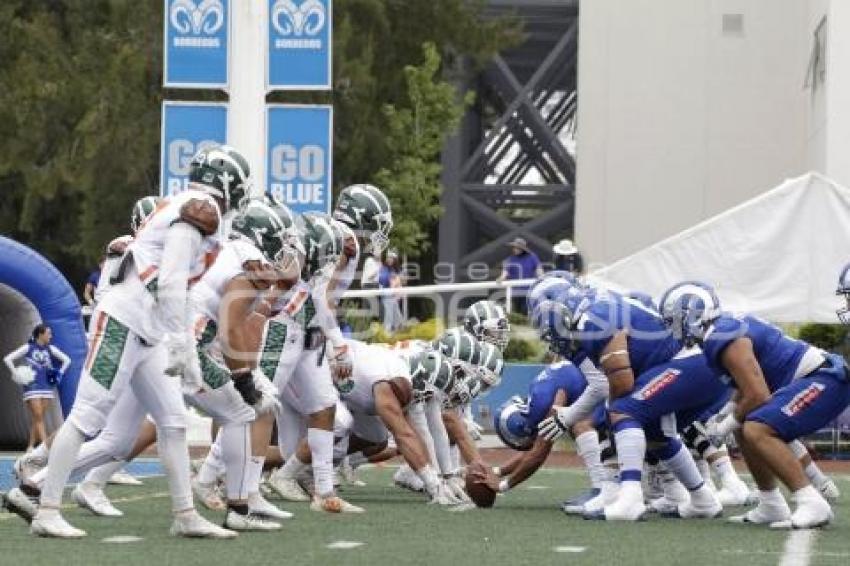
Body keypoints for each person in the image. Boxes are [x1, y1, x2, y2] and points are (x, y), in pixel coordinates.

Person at [16, 144, 251, 539]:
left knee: (174, 422)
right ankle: (47, 507)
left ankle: (185, 514)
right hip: (125, 323)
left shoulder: (187, 207)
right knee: (88, 417)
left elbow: (177, 284)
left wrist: (179, 342)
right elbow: (173, 281)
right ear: (226, 182)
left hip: (149, 330)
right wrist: (182, 341)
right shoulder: (199, 210)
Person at [3, 325, 71, 451]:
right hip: (32, 386)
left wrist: (59, 373)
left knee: (37, 417)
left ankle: (30, 446)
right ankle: (45, 447)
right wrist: (16, 373)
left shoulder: (50, 348)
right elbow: (7, 359)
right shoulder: (28, 347)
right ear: (40, 334)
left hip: (46, 386)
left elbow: (67, 360)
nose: (50, 336)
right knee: (38, 415)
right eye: (48, 333)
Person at [496, 237, 543, 315]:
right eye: (514, 247)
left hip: (529, 290)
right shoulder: (510, 259)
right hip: (515, 292)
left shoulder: (532, 257)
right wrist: (501, 278)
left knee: (526, 311)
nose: (515, 249)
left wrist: (542, 279)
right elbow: (505, 272)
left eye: (517, 248)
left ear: (522, 249)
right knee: (517, 312)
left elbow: (539, 269)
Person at [378, 249, 404, 332]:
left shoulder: (396, 270)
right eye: (388, 257)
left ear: (395, 259)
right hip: (387, 294)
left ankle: (396, 332)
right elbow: (382, 280)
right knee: (389, 316)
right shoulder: (384, 268)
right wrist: (391, 279)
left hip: (395, 295)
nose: (389, 259)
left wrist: (397, 280)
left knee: (397, 316)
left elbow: (400, 281)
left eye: (391, 258)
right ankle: (387, 334)